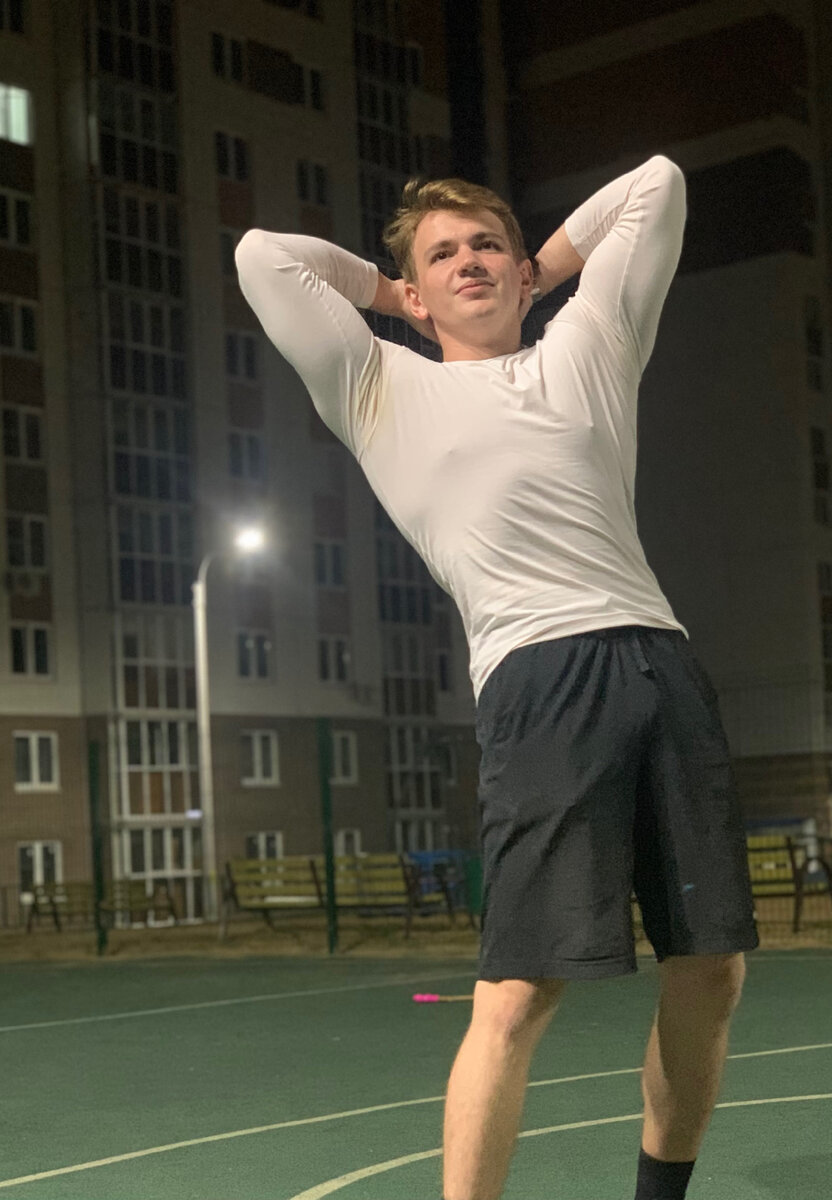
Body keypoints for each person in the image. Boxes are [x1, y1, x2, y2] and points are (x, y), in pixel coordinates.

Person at [235, 154, 760, 1200]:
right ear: (417, 292)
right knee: (518, 996)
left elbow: (657, 183)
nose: (467, 261)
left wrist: (542, 266)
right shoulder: (381, 387)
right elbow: (263, 256)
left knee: (712, 968)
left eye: (487, 245)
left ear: (522, 274)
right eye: (443, 255)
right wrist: (388, 293)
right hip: (538, 682)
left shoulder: (589, 346)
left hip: (660, 661)